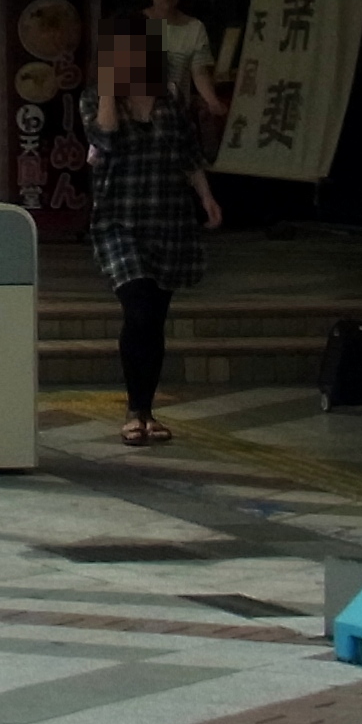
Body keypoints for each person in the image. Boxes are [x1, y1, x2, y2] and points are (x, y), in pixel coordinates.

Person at [84, 24, 222, 445]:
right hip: (118, 219)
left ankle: (146, 410)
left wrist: (206, 196)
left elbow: (188, 153)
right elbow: (103, 137)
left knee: (156, 317)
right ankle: (133, 409)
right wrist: (110, 89)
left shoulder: (170, 100)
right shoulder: (96, 99)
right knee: (138, 308)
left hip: (168, 217)